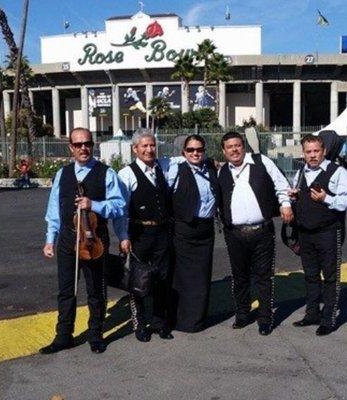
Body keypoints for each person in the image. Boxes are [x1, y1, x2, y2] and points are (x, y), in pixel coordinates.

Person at [41, 127, 125, 354]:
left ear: (93, 144)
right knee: (66, 290)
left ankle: (95, 334)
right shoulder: (62, 173)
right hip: (69, 238)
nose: (83, 148)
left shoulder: (106, 173)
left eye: (87, 143)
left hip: (94, 239)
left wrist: (94, 205)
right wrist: (51, 239)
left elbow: (119, 207)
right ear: (71, 148)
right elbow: (54, 209)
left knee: (96, 289)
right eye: (78, 145)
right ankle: (63, 335)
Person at [218, 131, 293, 336]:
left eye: (237, 145)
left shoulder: (261, 162)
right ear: (224, 151)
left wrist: (285, 205)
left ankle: (265, 319)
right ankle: (242, 315)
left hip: (262, 232)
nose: (234, 149)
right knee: (240, 277)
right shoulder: (222, 171)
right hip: (234, 234)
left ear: (244, 146)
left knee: (263, 277)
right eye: (229, 147)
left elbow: (281, 185)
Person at [290, 134, 347, 336]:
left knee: (330, 277)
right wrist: (293, 197)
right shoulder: (300, 173)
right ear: (303, 153)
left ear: (324, 151)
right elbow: (298, 197)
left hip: (328, 231)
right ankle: (312, 314)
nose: (312, 155)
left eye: (316, 151)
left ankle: (328, 318)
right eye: (308, 152)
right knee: (310, 276)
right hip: (305, 233)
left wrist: (327, 198)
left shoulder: (337, 172)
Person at [113, 128, 176, 342]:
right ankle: (139, 324)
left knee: (162, 279)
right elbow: (121, 210)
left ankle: (160, 323)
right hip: (139, 234)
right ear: (135, 149)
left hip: (162, 233)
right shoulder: (126, 174)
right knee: (138, 281)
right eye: (144, 146)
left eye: (152, 145)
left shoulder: (163, 168)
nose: (149, 150)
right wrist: (123, 236)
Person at [169, 134, 219, 332]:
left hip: (206, 230)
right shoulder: (175, 169)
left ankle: (196, 320)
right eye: (190, 150)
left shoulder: (210, 168)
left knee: (202, 277)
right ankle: (180, 320)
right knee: (182, 277)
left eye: (199, 149)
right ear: (184, 152)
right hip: (184, 229)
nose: (195, 153)